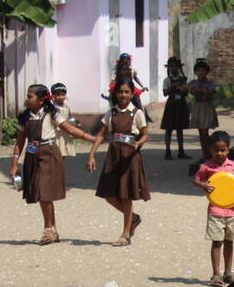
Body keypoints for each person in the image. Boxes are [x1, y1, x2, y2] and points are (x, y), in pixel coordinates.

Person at [8, 85, 95, 245]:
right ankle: (53, 229)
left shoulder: (52, 114)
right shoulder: (24, 117)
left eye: (30, 96)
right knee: (42, 192)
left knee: (43, 191)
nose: (27, 99)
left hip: (49, 154)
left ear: (41, 100)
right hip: (32, 155)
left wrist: (91, 139)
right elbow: (19, 143)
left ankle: (48, 228)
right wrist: (14, 164)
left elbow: (69, 129)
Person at [87, 78, 151, 247]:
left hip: (130, 156)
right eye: (120, 92)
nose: (123, 95)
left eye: (126, 92)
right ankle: (133, 218)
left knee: (126, 195)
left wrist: (139, 143)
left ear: (132, 94)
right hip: (114, 155)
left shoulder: (136, 113)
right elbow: (101, 134)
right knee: (108, 194)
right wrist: (91, 154)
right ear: (116, 93)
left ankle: (125, 233)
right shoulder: (112, 112)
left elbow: (145, 133)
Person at [191, 131, 234, 286]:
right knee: (216, 242)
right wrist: (203, 185)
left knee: (229, 242)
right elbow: (195, 180)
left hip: (232, 210)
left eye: (223, 150)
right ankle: (216, 275)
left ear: (228, 150)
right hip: (215, 210)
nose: (219, 153)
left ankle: (228, 273)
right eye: (216, 150)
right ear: (210, 150)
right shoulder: (206, 166)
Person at [160, 57, 191, 160]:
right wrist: (173, 86)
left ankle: (181, 151)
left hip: (181, 104)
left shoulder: (183, 79)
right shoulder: (167, 80)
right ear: (168, 67)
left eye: (175, 66)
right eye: (171, 66)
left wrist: (183, 89)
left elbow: (186, 92)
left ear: (179, 67)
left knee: (180, 129)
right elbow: (165, 93)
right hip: (171, 105)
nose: (173, 68)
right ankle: (168, 151)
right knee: (169, 128)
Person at [187, 58, 219, 158]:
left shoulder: (209, 83)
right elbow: (188, 89)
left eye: (203, 70)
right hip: (197, 108)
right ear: (195, 72)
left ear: (207, 72)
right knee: (201, 133)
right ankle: (205, 154)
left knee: (205, 132)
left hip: (206, 107)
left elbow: (211, 91)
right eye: (198, 70)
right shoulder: (193, 82)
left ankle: (211, 151)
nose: (200, 72)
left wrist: (199, 90)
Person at [50, 83, 78, 159]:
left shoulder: (66, 107)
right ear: (53, 96)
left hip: (65, 132)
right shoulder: (53, 108)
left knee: (63, 153)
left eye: (63, 94)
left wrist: (75, 124)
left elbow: (69, 117)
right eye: (58, 95)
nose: (61, 97)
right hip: (56, 133)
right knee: (55, 154)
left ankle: (60, 169)